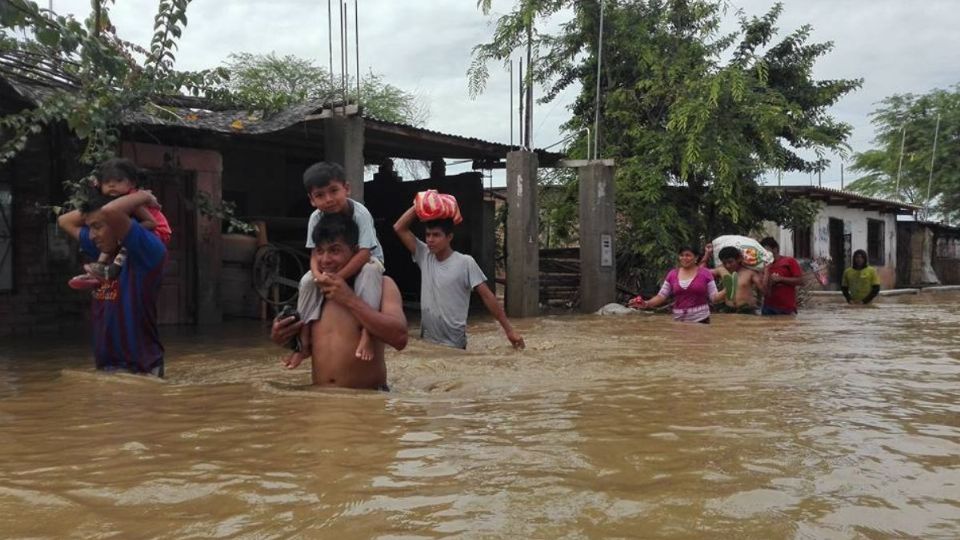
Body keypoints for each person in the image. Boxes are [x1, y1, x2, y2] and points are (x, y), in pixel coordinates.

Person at [270, 213, 407, 390]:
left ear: (356, 251)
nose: (325, 260)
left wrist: (349, 299)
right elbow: (305, 347)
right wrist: (279, 337)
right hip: (319, 400)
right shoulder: (315, 290)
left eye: (335, 250)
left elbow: (400, 338)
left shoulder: (383, 285)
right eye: (319, 251)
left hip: (367, 403)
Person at [285, 162, 385, 369]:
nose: (329, 199)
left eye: (334, 191)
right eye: (320, 195)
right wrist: (317, 275)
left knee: (370, 270)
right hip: (332, 265)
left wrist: (338, 279)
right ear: (312, 200)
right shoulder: (316, 217)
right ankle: (303, 343)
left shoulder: (360, 213)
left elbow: (365, 252)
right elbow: (314, 252)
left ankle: (367, 333)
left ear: (346, 189)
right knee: (306, 281)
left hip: (366, 259)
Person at [57, 189, 167, 376]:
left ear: (120, 223)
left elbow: (111, 210)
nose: (91, 235)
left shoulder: (146, 251)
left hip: (142, 371)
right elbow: (64, 220)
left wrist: (145, 196)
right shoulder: (103, 249)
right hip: (107, 370)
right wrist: (98, 207)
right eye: (89, 227)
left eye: (97, 226)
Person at [393, 204, 525, 350]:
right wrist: (419, 205)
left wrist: (509, 330)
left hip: (454, 343)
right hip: (427, 342)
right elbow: (399, 228)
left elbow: (488, 297)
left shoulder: (465, 262)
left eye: (436, 235)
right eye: (428, 235)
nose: (430, 240)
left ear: (449, 237)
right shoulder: (425, 255)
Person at [67, 158, 172, 289]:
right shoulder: (111, 202)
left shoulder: (131, 201)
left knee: (121, 238)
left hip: (157, 233)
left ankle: (113, 268)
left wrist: (125, 232)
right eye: (107, 182)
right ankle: (99, 269)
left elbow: (152, 223)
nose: (112, 185)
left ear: (132, 183)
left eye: (118, 181)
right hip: (138, 231)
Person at [628, 246, 721, 323]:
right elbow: (661, 296)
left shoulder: (705, 273)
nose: (684, 258)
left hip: (701, 320)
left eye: (688, 255)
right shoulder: (672, 274)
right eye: (681, 255)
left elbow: (714, 298)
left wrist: (726, 291)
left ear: (696, 257)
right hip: (679, 321)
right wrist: (646, 303)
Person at [710, 245, 765, 314]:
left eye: (730, 262)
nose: (728, 265)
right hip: (728, 310)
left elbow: (763, 289)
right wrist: (707, 254)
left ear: (739, 259)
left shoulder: (750, 272)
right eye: (724, 263)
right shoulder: (722, 270)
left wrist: (765, 272)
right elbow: (700, 273)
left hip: (747, 311)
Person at [759, 237, 804, 315]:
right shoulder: (763, 266)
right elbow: (761, 288)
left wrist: (780, 279)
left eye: (766, 250)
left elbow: (801, 281)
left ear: (775, 249)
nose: (764, 253)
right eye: (762, 251)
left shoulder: (789, 261)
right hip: (768, 308)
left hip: (787, 308)